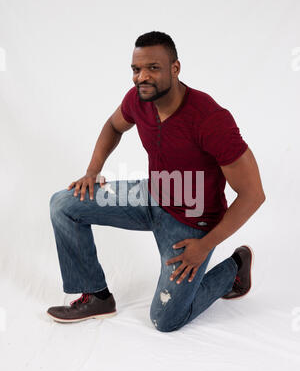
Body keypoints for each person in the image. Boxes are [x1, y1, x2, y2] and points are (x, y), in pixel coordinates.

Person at [47, 31, 266, 332]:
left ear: (175, 69)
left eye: (153, 68)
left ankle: (235, 268)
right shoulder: (138, 99)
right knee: (63, 204)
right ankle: (96, 296)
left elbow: (253, 194)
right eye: (136, 70)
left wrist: (204, 246)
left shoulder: (210, 119)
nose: (142, 77)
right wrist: (92, 170)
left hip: (192, 223)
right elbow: (113, 125)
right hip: (150, 196)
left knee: (165, 320)